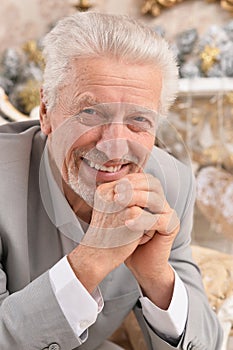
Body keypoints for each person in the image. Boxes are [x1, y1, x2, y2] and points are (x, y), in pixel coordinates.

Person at [0, 12, 222, 350]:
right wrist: (92, 260)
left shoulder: (170, 185)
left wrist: (157, 277)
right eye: (90, 113)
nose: (115, 145)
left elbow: (205, 343)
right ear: (45, 111)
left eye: (138, 120)